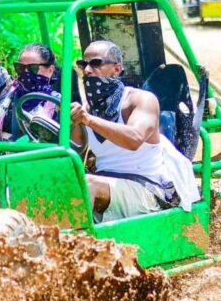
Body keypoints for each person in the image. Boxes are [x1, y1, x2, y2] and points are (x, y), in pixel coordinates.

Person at [70, 40, 200, 223]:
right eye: (83, 64)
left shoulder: (141, 100)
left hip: (147, 188)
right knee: (62, 183)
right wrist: (71, 123)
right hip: (108, 186)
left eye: (96, 63)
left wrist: (89, 120)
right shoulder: (87, 108)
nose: (87, 71)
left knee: (86, 185)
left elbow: (134, 139)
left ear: (117, 69)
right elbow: (74, 149)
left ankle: (72, 248)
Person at [0, 0, 60, 142]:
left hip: (33, 163)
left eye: (34, 68)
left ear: (50, 70)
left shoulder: (58, 103)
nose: (27, 73)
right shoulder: (5, 89)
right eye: (21, 68)